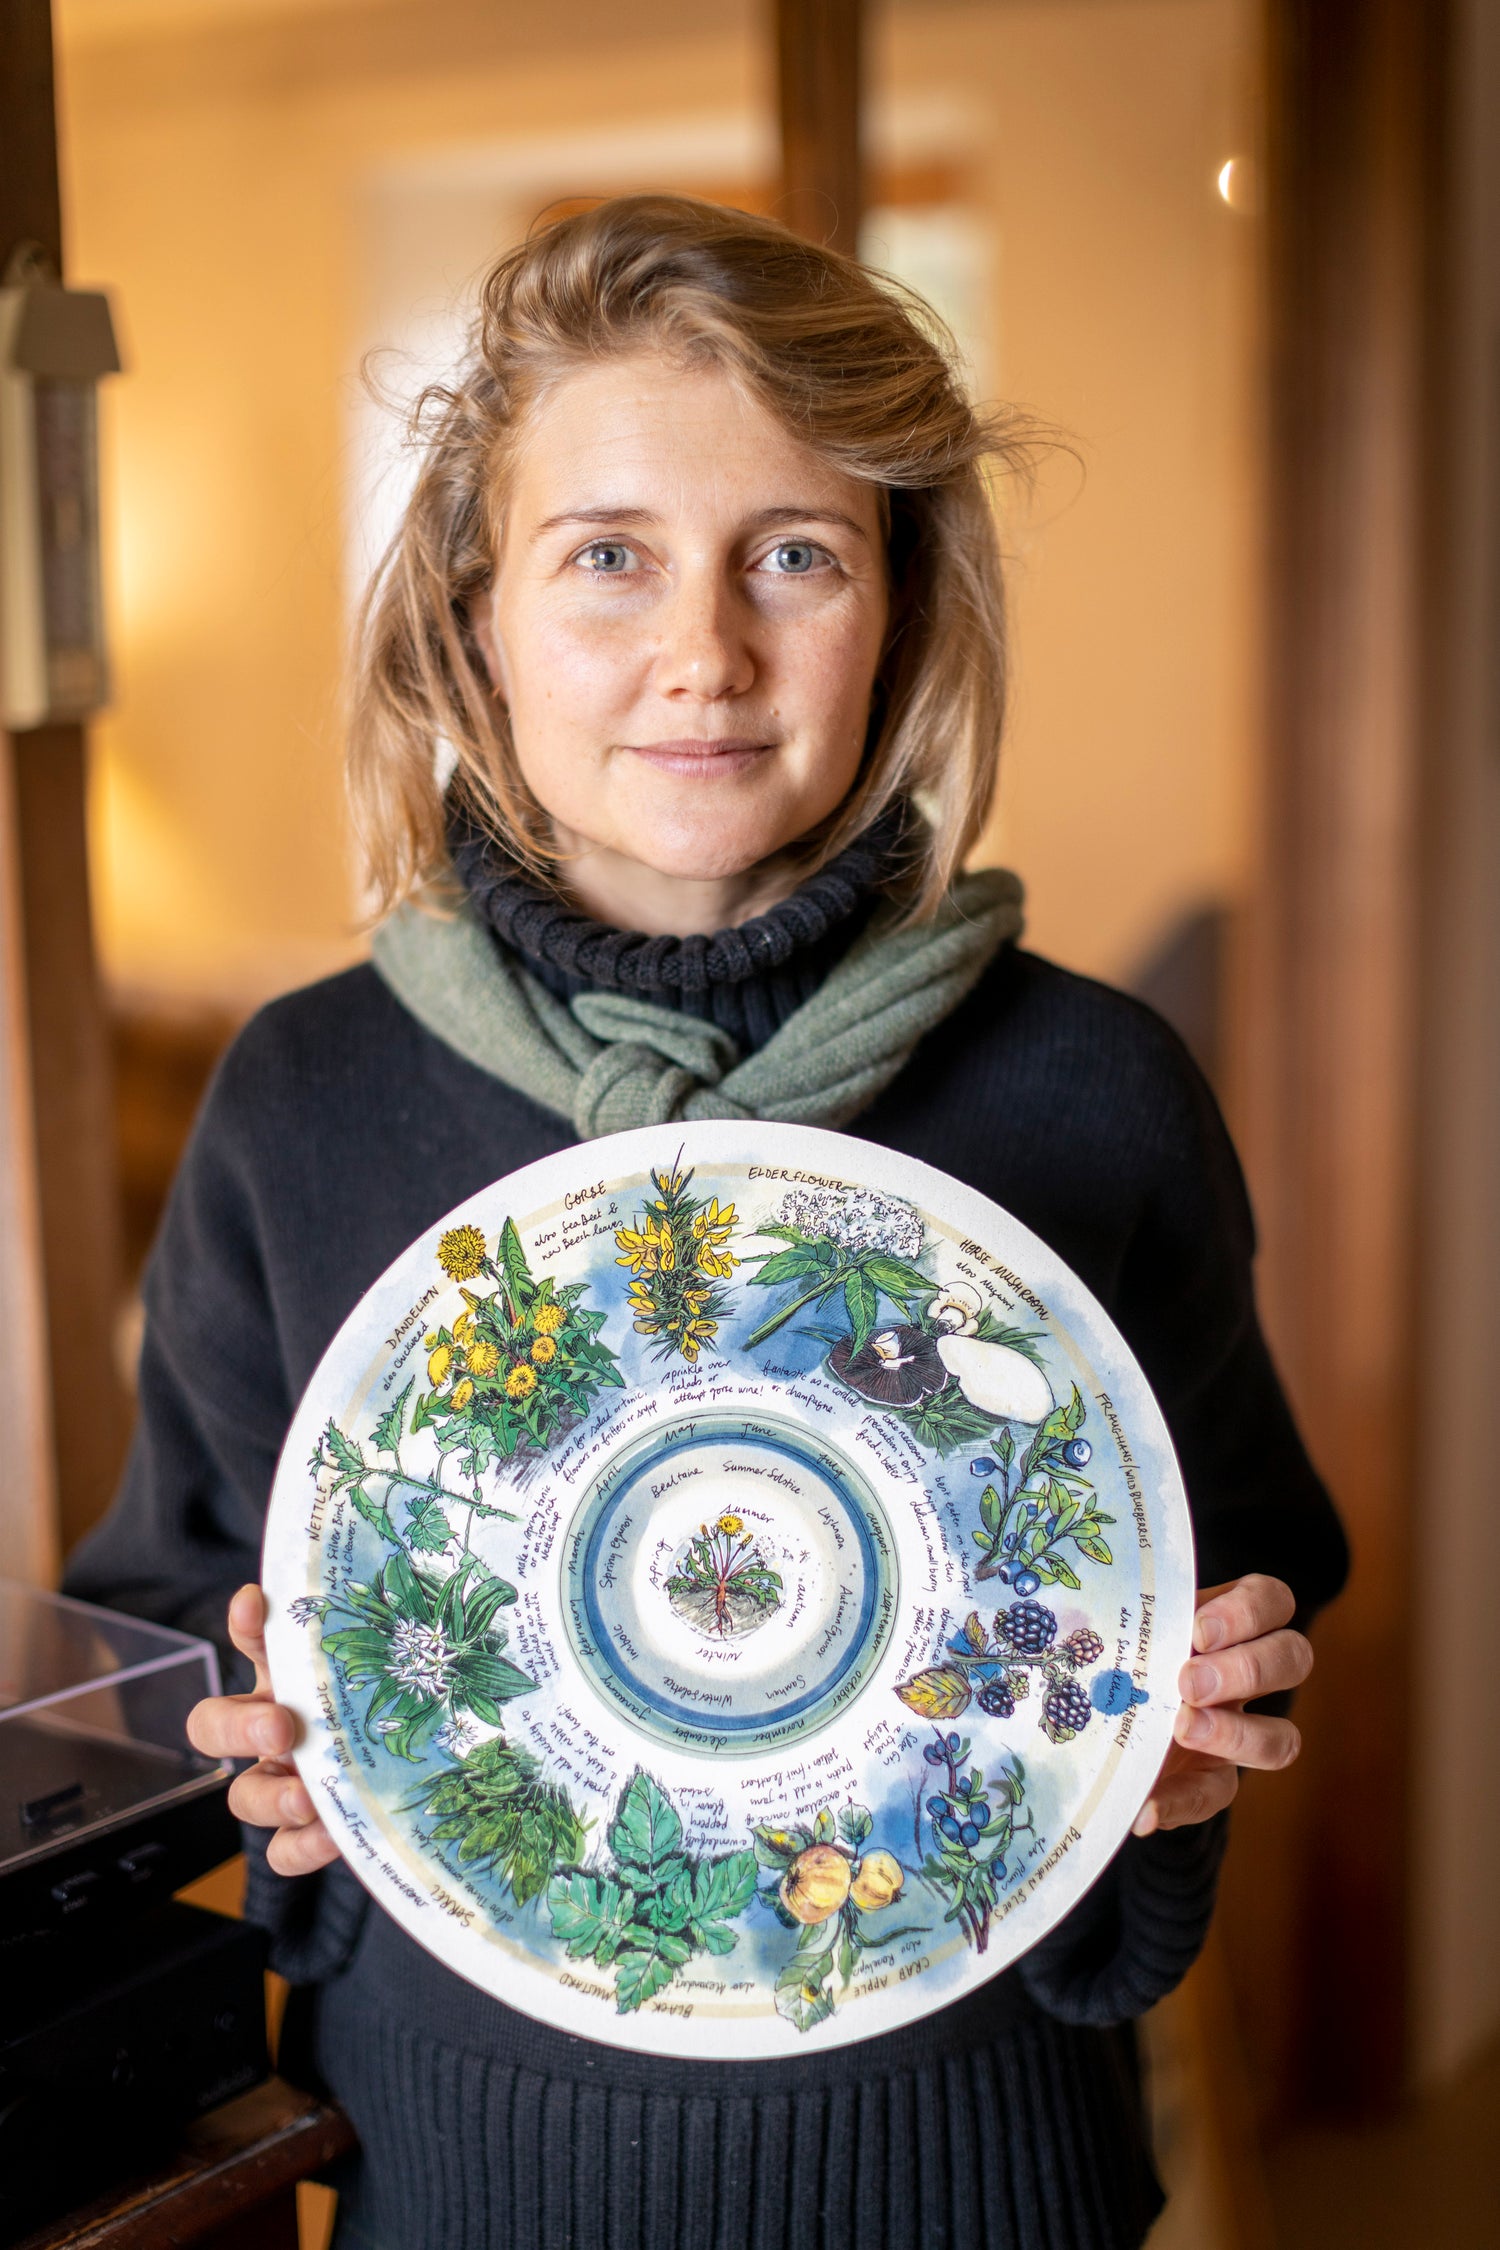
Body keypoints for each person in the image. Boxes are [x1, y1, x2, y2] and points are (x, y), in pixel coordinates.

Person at [67, 196, 1347, 2249]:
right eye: (607, 555)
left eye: (796, 555)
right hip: (461, 2178)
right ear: (475, 614)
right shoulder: (300, 1099)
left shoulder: (1094, 1092)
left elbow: (1238, 1576)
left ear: (901, 609)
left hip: (976, 2173)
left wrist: (1184, 1748)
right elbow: (170, 1617)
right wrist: (252, 1764)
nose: (705, 654)